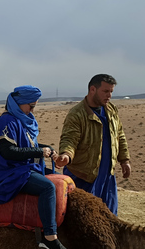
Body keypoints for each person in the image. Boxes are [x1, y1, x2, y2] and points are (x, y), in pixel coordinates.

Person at [0, 86, 72, 249]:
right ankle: (50, 238)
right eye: (30, 106)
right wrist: (38, 152)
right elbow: (8, 151)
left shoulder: (22, 120)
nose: (32, 110)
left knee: (62, 178)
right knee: (47, 187)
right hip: (8, 172)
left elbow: (28, 146)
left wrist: (47, 148)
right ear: (19, 104)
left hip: (24, 168)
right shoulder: (6, 122)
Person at [55, 74, 131, 215]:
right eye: (105, 91)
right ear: (92, 89)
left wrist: (124, 160)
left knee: (109, 217)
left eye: (111, 92)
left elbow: (119, 135)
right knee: (85, 218)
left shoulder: (111, 110)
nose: (109, 96)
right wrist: (66, 155)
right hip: (84, 177)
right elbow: (69, 139)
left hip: (107, 175)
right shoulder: (77, 114)